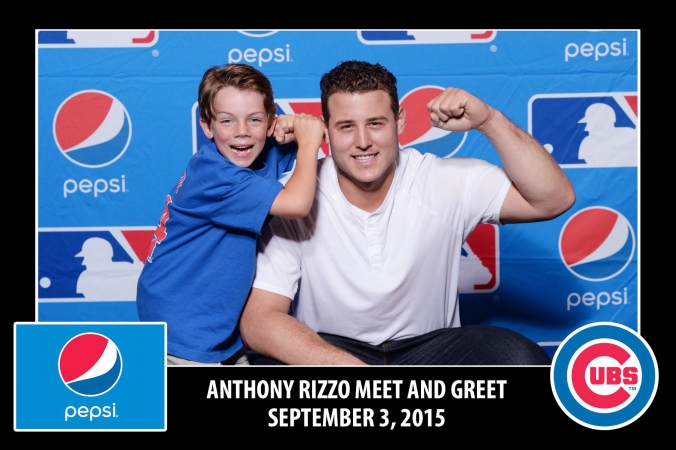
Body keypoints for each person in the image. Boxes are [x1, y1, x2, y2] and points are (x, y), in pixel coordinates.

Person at [240, 60, 576, 365]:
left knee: (518, 358)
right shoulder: (295, 194)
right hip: (333, 351)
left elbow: (553, 199)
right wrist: (345, 369)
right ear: (325, 129)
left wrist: (489, 121)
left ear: (399, 121)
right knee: (266, 368)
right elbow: (260, 320)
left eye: (375, 123)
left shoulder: (443, 179)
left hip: (430, 351)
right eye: (346, 127)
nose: (363, 141)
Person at [136, 63, 325, 365]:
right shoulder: (216, 175)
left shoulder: (259, 153)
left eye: (254, 120)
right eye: (227, 121)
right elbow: (297, 203)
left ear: (269, 123)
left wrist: (292, 130)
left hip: (220, 326)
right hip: (183, 323)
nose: (242, 132)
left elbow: (301, 147)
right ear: (207, 127)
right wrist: (309, 141)